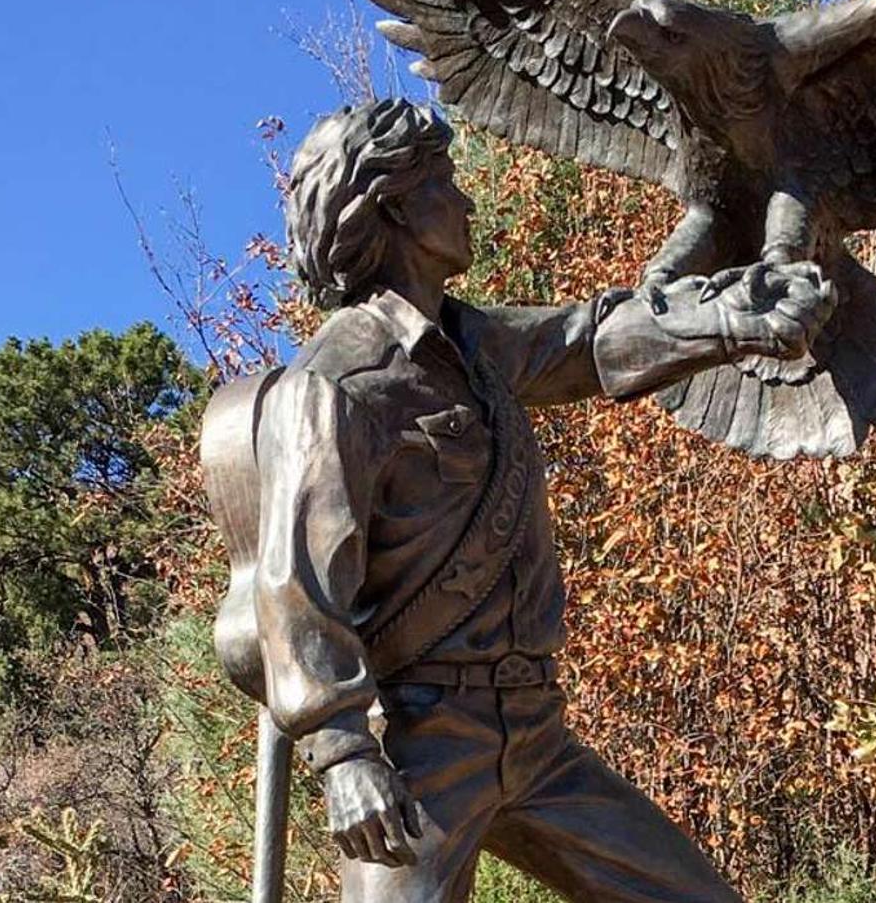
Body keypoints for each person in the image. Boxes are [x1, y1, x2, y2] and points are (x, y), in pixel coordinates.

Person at [248, 98, 833, 902]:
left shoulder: (476, 345)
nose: (466, 199)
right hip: (422, 747)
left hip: (537, 734)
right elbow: (296, 585)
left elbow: (589, 342)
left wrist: (731, 318)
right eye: (444, 180)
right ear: (394, 207)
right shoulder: (336, 383)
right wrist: (343, 752)